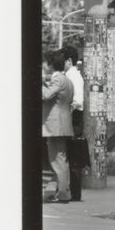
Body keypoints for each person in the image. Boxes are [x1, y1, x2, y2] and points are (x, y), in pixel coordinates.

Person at [40, 50, 75, 204]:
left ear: (51, 64)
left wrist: (39, 82)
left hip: (55, 124)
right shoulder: (66, 80)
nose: (43, 65)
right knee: (60, 159)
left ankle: (62, 194)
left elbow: (46, 95)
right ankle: (63, 192)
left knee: (57, 161)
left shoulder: (58, 80)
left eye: (45, 62)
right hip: (62, 123)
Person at [62, 47, 85, 203]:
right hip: (73, 118)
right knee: (70, 156)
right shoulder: (70, 75)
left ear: (69, 61)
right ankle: (70, 191)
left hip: (73, 118)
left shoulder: (73, 77)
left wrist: (65, 116)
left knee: (72, 157)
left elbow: (77, 102)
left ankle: (74, 193)